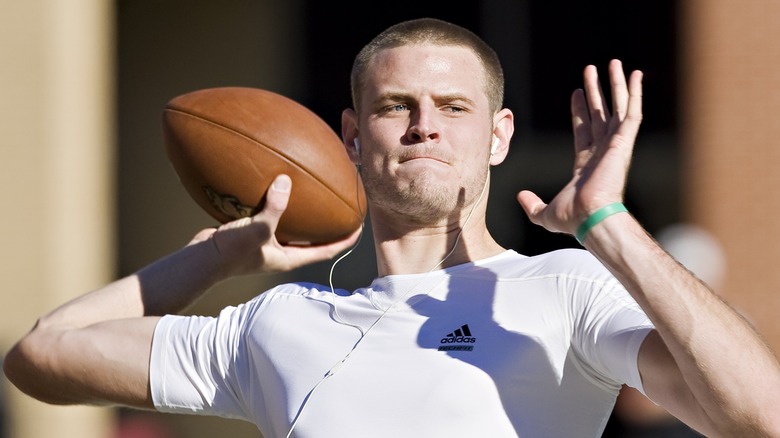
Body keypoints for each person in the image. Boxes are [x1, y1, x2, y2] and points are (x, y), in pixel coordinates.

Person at [4, 17, 780, 438]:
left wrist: (608, 226)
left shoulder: (562, 287)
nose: (423, 128)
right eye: (393, 107)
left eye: (453, 108)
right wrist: (218, 255)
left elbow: (758, 415)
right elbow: (40, 355)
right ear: (350, 136)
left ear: (499, 137)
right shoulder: (279, 323)